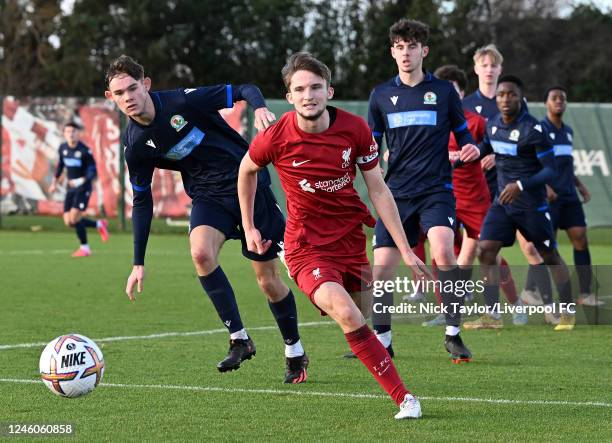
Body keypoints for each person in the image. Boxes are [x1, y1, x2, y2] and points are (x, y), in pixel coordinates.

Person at [238, 52, 428, 419]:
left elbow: (378, 190)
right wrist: (249, 228)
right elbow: (246, 172)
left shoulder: (355, 129)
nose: (308, 95)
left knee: (363, 310)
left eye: (315, 87)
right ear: (289, 97)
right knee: (347, 313)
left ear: (329, 90)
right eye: (299, 89)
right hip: (305, 247)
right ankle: (406, 399)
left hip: (350, 241)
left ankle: (334, 301)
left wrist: (405, 249)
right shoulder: (274, 137)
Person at [104, 55, 309, 383]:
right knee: (200, 253)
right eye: (119, 93)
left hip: (248, 185)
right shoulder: (135, 145)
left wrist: (258, 108)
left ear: (146, 85)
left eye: (132, 88)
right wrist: (138, 262)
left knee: (268, 282)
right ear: (110, 98)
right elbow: (141, 201)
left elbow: (245, 88)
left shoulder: (181, 101)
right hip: (208, 198)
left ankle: (294, 350)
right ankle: (239, 338)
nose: (128, 97)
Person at [367, 19, 479, 362]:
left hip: (436, 190)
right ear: (392, 52)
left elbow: (464, 135)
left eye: (411, 46)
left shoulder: (444, 92)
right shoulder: (381, 95)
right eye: (399, 47)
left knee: (444, 252)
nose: (405, 53)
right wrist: (372, 157)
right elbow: (372, 143)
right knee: (382, 268)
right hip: (395, 194)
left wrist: (471, 148)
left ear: (423, 51)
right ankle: (383, 342)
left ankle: (453, 333)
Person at [418, 65, 526, 327]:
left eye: (453, 91)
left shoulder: (476, 122)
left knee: (489, 252)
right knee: (439, 252)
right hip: (442, 196)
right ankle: (448, 310)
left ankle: (517, 304)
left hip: (475, 199)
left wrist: (490, 155)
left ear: (461, 93)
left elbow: (499, 146)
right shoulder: (427, 123)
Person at [472, 75, 576, 331]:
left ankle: (568, 312)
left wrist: (520, 185)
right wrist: (466, 154)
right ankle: (492, 316)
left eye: (511, 94)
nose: (505, 99)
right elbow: (485, 146)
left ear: (521, 98)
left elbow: (549, 171)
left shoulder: (534, 129)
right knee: (485, 250)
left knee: (549, 254)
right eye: (501, 95)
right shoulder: (493, 124)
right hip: (503, 203)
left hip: (531, 204)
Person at [463, 44, 546, 308]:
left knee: (532, 248)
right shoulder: (464, 105)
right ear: (476, 68)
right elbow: (462, 143)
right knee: (475, 250)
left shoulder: (512, 102)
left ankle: (540, 299)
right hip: (476, 190)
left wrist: (496, 155)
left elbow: (524, 142)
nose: (489, 70)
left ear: (501, 69)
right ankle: (466, 304)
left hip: (511, 189)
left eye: (493, 65)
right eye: (484, 65)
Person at [542, 86, 603, 307]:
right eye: (554, 98)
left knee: (580, 238)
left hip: (569, 196)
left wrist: (580, 185)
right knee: (548, 248)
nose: (559, 101)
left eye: (562, 98)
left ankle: (585, 294)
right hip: (549, 198)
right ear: (547, 102)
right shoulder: (540, 129)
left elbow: (566, 164)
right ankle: (546, 296)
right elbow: (534, 162)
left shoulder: (567, 131)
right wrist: (544, 186)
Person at [48, 122, 109, 257]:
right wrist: (54, 183)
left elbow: (92, 170)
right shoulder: (63, 148)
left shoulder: (84, 150)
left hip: (83, 188)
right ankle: (99, 224)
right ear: (64, 134)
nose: (71, 134)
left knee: (74, 218)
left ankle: (85, 248)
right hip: (70, 189)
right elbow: (60, 167)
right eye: (68, 131)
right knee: (68, 221)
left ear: (78, 133)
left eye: (73, 131)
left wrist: (81, 180)